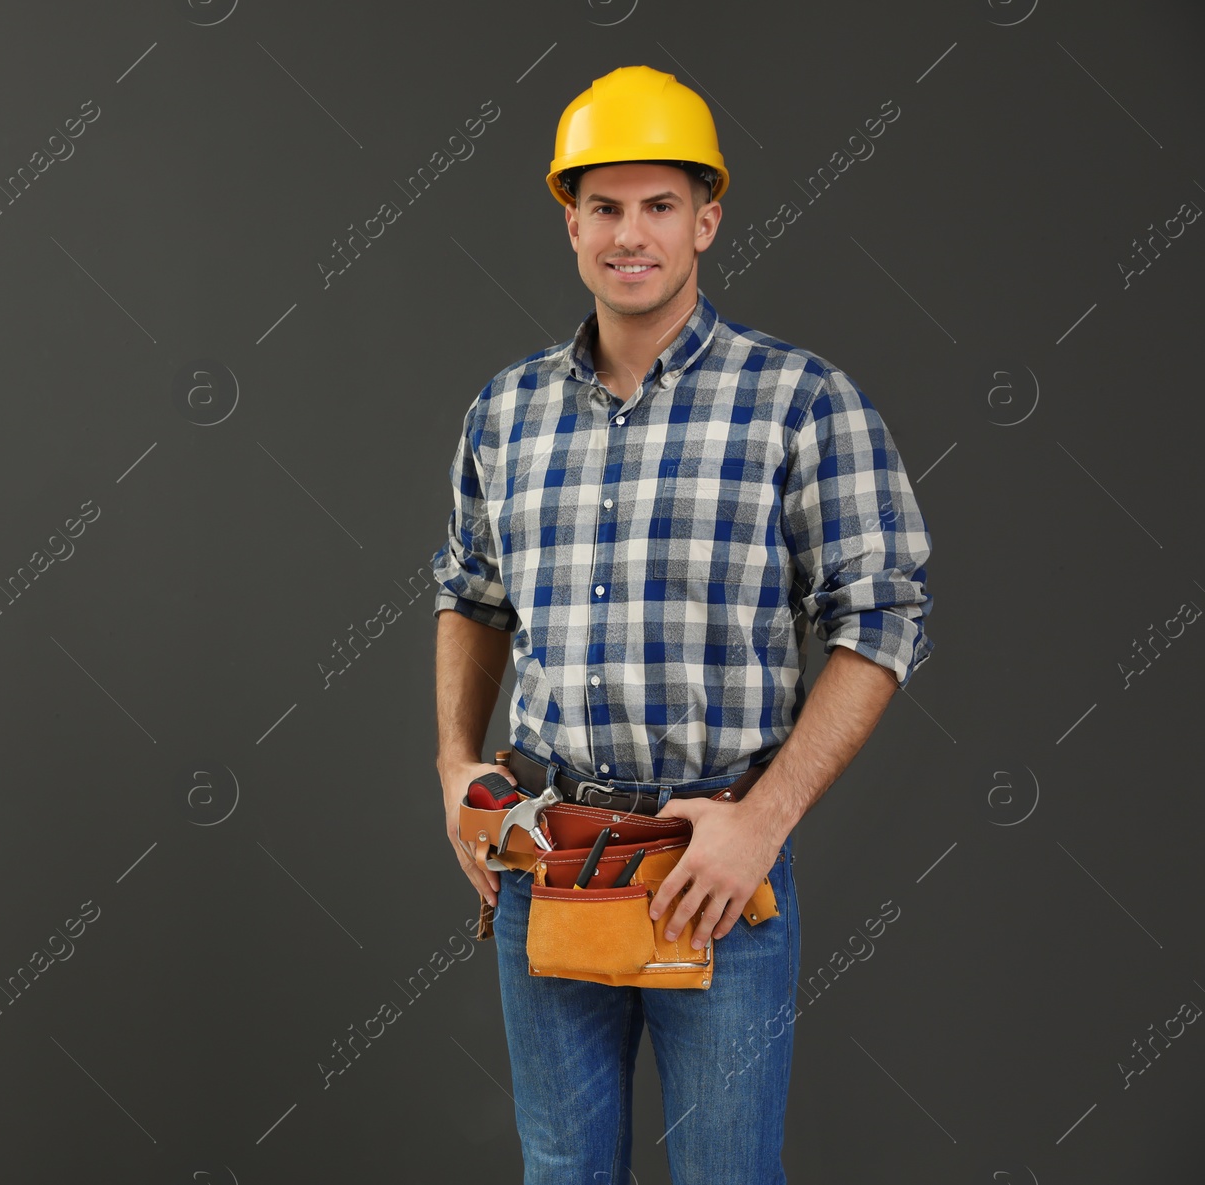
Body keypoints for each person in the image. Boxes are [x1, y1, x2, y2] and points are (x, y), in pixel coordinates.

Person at [430, 65, 935, 1184]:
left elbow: (884, 615)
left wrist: (764, 821)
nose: (630, 235)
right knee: (562, 1174)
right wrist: (455, 762)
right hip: (546, 858)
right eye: (603, 207)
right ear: (569, 222)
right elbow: (469, 592)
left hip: (715, 869)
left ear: (707, 218)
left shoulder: (800, 401)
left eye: (659, 205)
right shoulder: (504, 412)